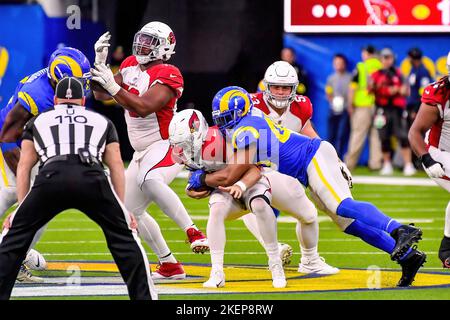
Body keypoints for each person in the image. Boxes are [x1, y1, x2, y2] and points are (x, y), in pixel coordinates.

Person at [188, 86, 427, 287]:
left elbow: (232, 174)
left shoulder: (248, 127)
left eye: (226, 117)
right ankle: (408, 257)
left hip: (314, 158)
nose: (222, 124)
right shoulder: (248, 122)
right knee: (348, 224)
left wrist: (201, 179)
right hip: (306, 169)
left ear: (240, 111)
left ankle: (398, 229)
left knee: (341, 206)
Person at [0, 77, 157, 300]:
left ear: (55, 100)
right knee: (125, 239)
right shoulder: (101, 121)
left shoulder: (39, 121)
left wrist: (20, 210)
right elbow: (115, 166)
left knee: (12, 240)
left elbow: (24, 167)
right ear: (83, 100)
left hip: (50, 177)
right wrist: (122, 210)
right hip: (91, 176)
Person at [90, 22, 208, 280]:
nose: (142, 46)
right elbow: (100, 95)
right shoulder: (131, 63)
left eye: (150, 42)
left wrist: (111, 86)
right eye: (141, 39)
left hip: (167, 143)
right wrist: (99, 64)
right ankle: (169, 265)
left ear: (165, 46)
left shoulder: (169, 72)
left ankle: (193, 231)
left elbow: (143, 107)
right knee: (128, 211)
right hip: (141, 150)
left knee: (150, 180)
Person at [0, 46, 91, 282]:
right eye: (79, 80)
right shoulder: (37, 95)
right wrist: (26, 172)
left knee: (41, 208)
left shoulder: (59, 83)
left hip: (34, 148)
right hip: (12, 147)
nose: (83, 86)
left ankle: (15, 255)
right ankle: (10, 259)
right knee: (22, 201)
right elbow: (7, 137)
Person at [169, 109, 289, 288]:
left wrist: (240, 186)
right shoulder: (185, 153)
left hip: (251, 182)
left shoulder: (225, 137)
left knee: (260, 205)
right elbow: (197, 178)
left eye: (186, 143)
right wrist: (191, 190)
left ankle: (275, 264)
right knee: (216, 211)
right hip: (225, 190)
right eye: (181, 144)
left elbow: (255, 169)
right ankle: (217, 272)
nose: (183, 149)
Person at [247, 61, 340, 274]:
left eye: (285, 87)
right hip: (254, 169)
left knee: (307, 214)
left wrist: (332, 159)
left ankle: (308, 260)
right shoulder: (249, 104)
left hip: (286, 169)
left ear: (294, 88)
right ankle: (275, 251)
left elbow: (309, 133)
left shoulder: (302, 105)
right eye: (276, 87)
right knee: (252, 207)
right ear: (266, 86)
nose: (280, 92)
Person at [408, 51, 450, 268]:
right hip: (439, 152)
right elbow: (414, 132)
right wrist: (426, 159)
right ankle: (448, 248)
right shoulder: (439, 95)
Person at [370, 48, 416, 176]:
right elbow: (371, 88)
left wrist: (395, 90)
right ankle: (387, 164)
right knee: (383, 137)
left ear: (392, 58)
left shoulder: (398, 73)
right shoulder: (376, 74)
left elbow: (406, 91)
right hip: (382, 109)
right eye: (384, 58)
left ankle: (408, 164)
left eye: (388, 57)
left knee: (402, 136)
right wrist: (386, 89)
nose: (386, 60)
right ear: (381, 59)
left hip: (397, 109)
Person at [345, 45, 383, 171]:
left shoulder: (361, 66)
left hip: (363, 105)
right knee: (376, 135)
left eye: (364, 52)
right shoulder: (381, 66)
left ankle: (349, 164)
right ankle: (376, 164)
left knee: (358, 134)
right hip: (378, 105)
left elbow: (353, 87)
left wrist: (350, 103)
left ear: (367, 53)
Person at [325, 54, 351, 159]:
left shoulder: (350, 77)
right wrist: (332, 101)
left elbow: (352, 92)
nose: (338, 65)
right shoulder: (331, 78)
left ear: (344, 64)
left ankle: (338, 158)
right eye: (336, 63)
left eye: (340, 63)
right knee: (331, 134)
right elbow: (328, 92)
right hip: (333, 109)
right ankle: (329, 158)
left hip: (344, 110)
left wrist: (347, 104)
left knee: (341, 135)